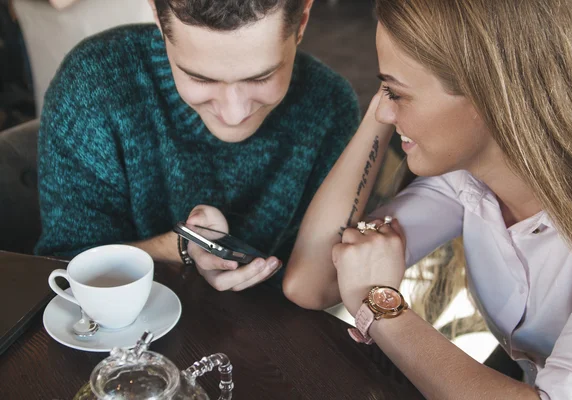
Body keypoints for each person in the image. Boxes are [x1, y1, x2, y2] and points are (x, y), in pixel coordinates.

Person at [282, 0, 572, 398]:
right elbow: (311, 282)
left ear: (488, 98)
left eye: (396, 93)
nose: (380, 110)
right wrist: (388, 105)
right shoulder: (467, 177)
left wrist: (384, 309)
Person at [34, 0, 360, 292]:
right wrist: (181, 248)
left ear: (302, 19)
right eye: (201, 79)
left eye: (261, 78)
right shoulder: (95, 83)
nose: (234, 114)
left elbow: (316, 284)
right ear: (159, 20)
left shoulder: (331, 107)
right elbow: (61, 266)